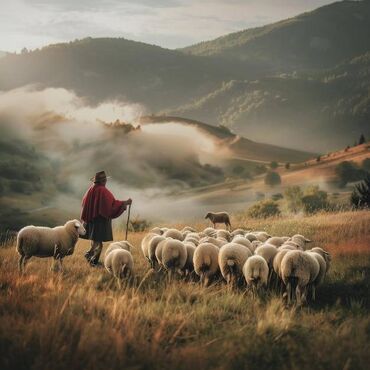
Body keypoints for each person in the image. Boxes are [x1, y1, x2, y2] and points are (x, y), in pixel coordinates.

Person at [80, 171, 132, 266]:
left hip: (92, 220)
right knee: (98, 243)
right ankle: (90, 256)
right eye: (105, 180)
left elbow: (84, 204)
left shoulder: (91, 189)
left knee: (95, 241)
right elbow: (111, 205)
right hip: (100, 221)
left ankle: (92, 262)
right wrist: (125, 202)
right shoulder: (103, 191)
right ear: (103, 181)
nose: (106, 182)